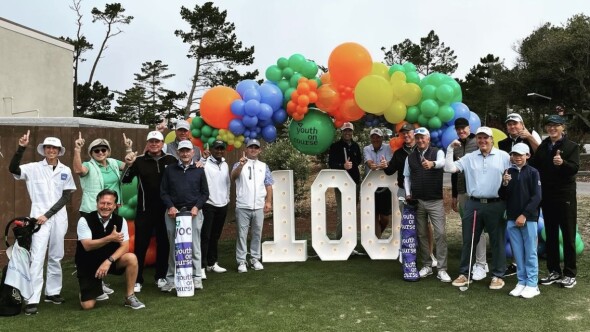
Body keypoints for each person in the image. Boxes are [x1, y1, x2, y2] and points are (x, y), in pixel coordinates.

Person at [9, 132, 76, 315]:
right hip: (37, 219)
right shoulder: (33, 168)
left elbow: (66, 195)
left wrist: (49, 214)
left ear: (59, 151)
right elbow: (13, 169)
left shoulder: (65, 170)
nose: (51, 150)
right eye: (48, 147)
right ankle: (32, 298)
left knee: (56, 255)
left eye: (54, 148)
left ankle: (52, 292)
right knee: (37, 257)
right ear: (44, 150)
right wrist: (21, 148)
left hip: (58, 218)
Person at [444, 126, 511, 290]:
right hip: (473, 204)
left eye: (485, 138)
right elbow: (449, 168)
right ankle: (464, 274)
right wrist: (449, 149)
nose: (482, 141)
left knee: (497, 241)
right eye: (480, 138)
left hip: (496, 204)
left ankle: (497, 275)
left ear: (492, 139)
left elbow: (514, 175)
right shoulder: (469, 157)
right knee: (469, 240)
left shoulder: (504, 156)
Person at [72, 133, 133, 299]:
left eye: (103, 149)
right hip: (92, 211)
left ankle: (101, 280)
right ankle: (93, 282)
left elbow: (130, 163)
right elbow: (78, 169)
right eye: (96, 150)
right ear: (91, 153)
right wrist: (77, 149)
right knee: (93, 247)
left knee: (108, 246)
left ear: (108, 151)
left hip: (111, 210)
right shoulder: (88, 165)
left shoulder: (113, 163)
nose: (100, 152)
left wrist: (129, 149)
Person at [121, 131, 178, 292]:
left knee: (163, 244)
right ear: (148, 143)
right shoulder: (138, 161)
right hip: (144, 210)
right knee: (141, 244)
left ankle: (160, 276)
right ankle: (137, 279)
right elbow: (125, 179)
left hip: (165, 210)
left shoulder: (171, 160)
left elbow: (182, 175)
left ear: (162, 143)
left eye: (157, 141)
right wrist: (128, 164)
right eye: (151, 141)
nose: (154, 144)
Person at [529, 115, 579, 288]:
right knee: (550, 235)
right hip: (547, 197)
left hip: (565, 197)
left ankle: (570, 274)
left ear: (562, 128)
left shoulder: (571, 146)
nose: (552, 129)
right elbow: (535, 164)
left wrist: (562, 163)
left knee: (568, 235)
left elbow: (574, 169)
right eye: (549, 126)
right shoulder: (543, 146)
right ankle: (554, 272)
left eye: (556, 126)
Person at [75, 189, 145, 310]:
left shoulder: (120, 220)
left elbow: (125, 246)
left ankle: (130, 297)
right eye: (102, 203)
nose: (105, 206)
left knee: (131, 258)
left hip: (109, 261)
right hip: (88, 264)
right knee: (87, 306)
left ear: (115, 206)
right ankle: (92, 288)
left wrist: (108, 261)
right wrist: (110, 238)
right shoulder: (84, 220)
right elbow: (87, 245)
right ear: (97, 204)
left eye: (109, 204)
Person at [384, 124, 437, 266]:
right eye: (403, 134)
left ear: (414, 133)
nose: (406, 135)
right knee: (407, 223)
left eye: (408, 133)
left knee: (425, 224)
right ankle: (406, 252)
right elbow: (389, 171)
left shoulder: (424, 150)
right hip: (404, 191)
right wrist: (384, 165)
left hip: (422, 191)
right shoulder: (399, 153)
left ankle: (429, 254)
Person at [159, 140, 209, 292]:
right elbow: (164, 192)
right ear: (178, 153)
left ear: (193, 152)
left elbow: (205, 193)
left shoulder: (199, 170)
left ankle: (196, 277)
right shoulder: (170, 170)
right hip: (173, 213)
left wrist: (197, 207)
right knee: (174, 247)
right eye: (182, 151)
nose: (185, 153)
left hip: (193, 214)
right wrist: (171, 206)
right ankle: (171, 279)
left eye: (188, 151)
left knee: (194, 246)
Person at [402, 127, 450, 282]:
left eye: (423, 137)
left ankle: (442, 269)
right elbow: (406, 178)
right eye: (418, 138)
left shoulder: (438, 152)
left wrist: (433, 164)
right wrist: (408, 193)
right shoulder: (410, 157)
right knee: (422, 234)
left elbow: (443, 163)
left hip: (435, 201)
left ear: (428, 139)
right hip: (418, 201)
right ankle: (427, 266)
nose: (420, 140)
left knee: (440, 234)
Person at [498, 112, 543, 276]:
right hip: (511, 189)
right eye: (509, 124)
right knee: (513, 232)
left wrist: (530, 138)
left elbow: (542, 155)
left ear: (522, 125)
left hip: (529, 187)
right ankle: (517, 266)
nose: (512, 126)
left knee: (529, 233)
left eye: (515, 123)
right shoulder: (503, 143)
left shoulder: (529, 139)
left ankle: (530, 273)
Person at [502, 143, 542, 298]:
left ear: (527, 155)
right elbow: (503, 195)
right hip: (512, 218)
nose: (517, 157)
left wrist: (524, 215)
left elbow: (537, 197)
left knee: (530, 252)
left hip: (528, 218)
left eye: (520, 155)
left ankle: (532, 284)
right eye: (514, 155)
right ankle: (521, 282)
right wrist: (504, 183)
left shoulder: (533, 172)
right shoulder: (508, 172)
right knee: (518, 252)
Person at [450, 118, 488, 280]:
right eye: (458, 129)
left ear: (469, 128)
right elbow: (454, 171)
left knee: (477, 228)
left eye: (463, 128)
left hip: (478, 192)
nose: (461, 131)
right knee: (468, 229)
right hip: (462, 192)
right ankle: (475, 261)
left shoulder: (477, 141)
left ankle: (481, 263)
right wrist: (453, 195)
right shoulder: (456, 146)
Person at [231, 139, 273, 273]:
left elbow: (268, 184)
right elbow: (233, 177)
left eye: (256, 147)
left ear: (259, 150)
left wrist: (268, 201)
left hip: (258, 206)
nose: (253, 149)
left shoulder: (263, 166)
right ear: (246, 149)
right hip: (243, 205)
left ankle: (255, 258)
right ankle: (241, 261)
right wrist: (241, 166)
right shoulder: (239, 163)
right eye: (251, 147)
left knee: (257, 233)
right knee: (242, 235)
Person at [201, 140, 231, 277]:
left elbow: (227, 183)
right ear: (211, 149)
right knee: (205, 236)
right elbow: (197, 168)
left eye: (221, 149)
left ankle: (212, 263)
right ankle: (201, 266)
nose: (219, 151)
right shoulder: (205, 163)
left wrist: (227, 198)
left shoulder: (225, 164)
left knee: (215, 236)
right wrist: (203, 158)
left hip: (222, 204)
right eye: (216, 148)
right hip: (208, 204)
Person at [328, 122, 362, 240]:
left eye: (349, 131)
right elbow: (331, 164)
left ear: (352, 132)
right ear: (341, 132)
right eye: (345, 131)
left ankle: (350, 242)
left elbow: (359, 161)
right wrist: (343, 165)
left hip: (354, 182)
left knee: (351, 213)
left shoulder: (355, 146)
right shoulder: (335, 146)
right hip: (340, 183)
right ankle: (340, 241)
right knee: (342, 214)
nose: (347, 133)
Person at [362, 128, 393, 237]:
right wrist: (380, 165)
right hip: (370, 186)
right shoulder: (366, 148)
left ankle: (376, 235)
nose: (375, 139)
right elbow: (370, 164)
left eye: (378, 137)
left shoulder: (388, 148)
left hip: (385, 186)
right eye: (373, 137)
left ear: (382, 138)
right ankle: (376, 239)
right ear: (370, 138)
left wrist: (384, 164)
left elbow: (388, 162)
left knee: (385, 218)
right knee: (373, 215)